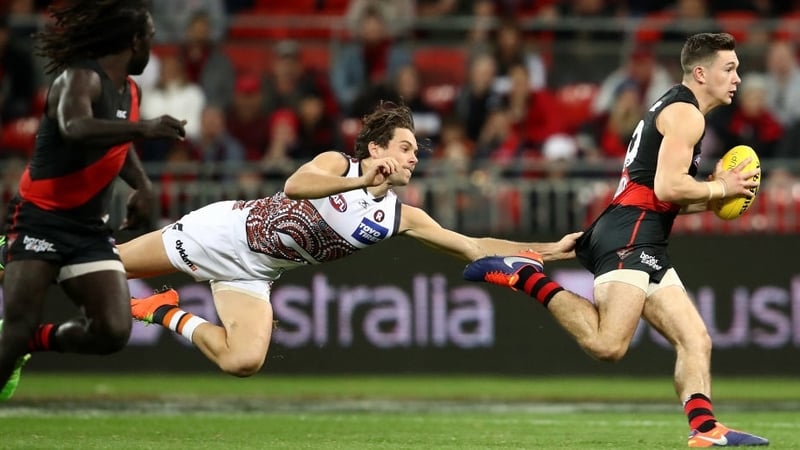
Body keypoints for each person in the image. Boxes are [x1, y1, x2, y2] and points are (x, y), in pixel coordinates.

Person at [115, 101, 581, 379]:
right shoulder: (340, 164)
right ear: (375, 149)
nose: (413, 158)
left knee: (244, 362)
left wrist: (545, 249)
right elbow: (297, 185)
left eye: (416, 153)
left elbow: (474, 246)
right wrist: (359, 182)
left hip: (254, 274)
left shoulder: (402, 216)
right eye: (405, 148)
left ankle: (163, 311)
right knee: (107, 268)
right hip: (218, 235)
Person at [462, 33, 769, 447]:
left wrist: (717, 195)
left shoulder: (675, 107)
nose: (737, 77)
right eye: (728, 69)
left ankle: (704, 429)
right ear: (701, 72)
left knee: (695, 338)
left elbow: (662, 193)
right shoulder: (688, 115)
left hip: (641, 230)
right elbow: (667, 188)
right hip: (632, 232)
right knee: (609, 346)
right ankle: (524, 277)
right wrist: (719, 190)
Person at [0, 0, 186, 401]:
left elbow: (118, 141)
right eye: (151, 38)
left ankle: (32, 341)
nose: (153, 47)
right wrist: (146, 128)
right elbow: (76, 127)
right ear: (134, 41)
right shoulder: (80, 78)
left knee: (112, 330)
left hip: (88, 230)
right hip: (40, 221)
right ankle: (16, 340)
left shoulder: (130, 90)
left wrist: (142, 184)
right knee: (15, 325)